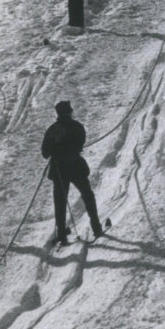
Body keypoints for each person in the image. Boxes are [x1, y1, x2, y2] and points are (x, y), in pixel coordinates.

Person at [41, 101, 104, 246]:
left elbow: (45, 153)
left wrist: (55, 148)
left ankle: (62, 236)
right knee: (87, 195)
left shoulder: (52, 129)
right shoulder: (76, 126)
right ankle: (97, 228)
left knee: (60, 202)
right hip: (76, 167)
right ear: (69, 112)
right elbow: (80, 143)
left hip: (59, 170)